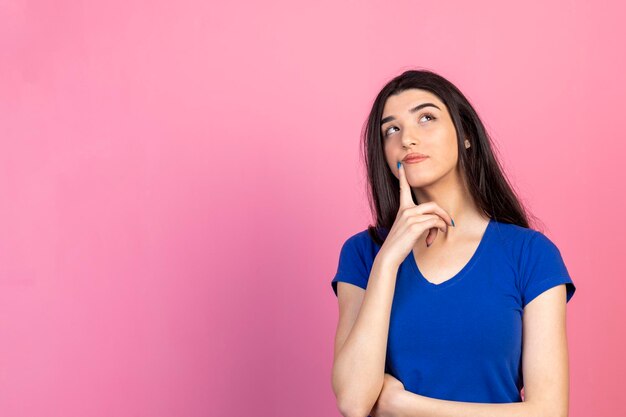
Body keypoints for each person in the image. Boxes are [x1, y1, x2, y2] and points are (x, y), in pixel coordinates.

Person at [330, 69, 576, 417]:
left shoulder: (530, 254)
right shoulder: (364, 254)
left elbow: (550, 412)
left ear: (465, 136)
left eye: (426, 118)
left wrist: (403, 406)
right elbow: (353, 402)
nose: (407, 139)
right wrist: (387, 261)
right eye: (392, 129)